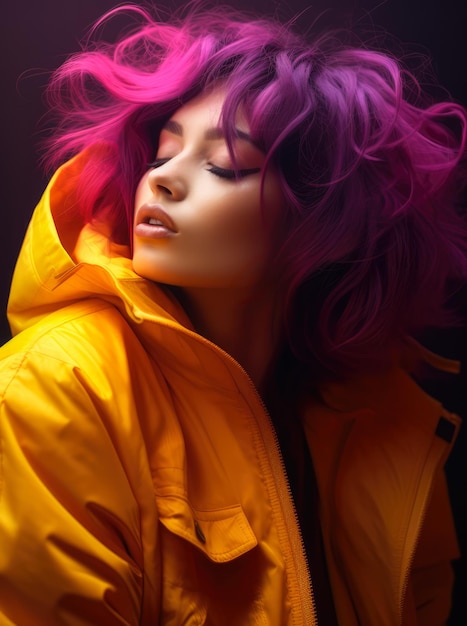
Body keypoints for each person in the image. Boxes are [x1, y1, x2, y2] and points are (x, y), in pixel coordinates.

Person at [0, 3, 466, 625]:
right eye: (162, 154)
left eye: (225, 166)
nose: (161, 181)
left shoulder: (383, 418)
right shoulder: (60, 386)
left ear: (325, 224)